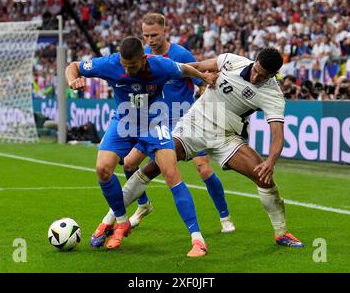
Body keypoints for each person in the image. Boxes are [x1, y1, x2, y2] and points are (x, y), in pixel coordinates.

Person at [110, 47, 304, 248]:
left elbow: (277, 134)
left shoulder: (273, 95)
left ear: (273, 75)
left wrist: (270, 162)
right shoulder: (231, 61)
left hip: (225, 136)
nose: (255, 77)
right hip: (194, 126)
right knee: (152, 167)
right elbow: (194, 67)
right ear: (254, 61)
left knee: (264, 177)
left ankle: (281, 233)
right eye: (256, 70)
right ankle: (109, 220)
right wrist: (200, 76)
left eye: (262, 76)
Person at [65, 36, 217, 257]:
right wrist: (72, 80)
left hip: (155, 123)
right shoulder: (110, 63)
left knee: (171, 173)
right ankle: (122, 220)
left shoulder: (160, 64)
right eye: (125, 66)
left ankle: (197, 239)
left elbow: (184, 69)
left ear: (143, 59)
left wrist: (203, 77)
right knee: (103, 169)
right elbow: (74, 67)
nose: (129, 70)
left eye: (133, 66)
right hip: (123, 122)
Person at [97, 13, 235, 234]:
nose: (150, 40)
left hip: (184, 122)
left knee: (204, 169)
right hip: (154, 123)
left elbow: (201, 81)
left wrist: (202, 100)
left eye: (154, 35)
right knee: (129, 163)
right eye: (146, 36)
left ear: (164, 31)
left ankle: (224, 216)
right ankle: (143, 205)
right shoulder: (143, 58)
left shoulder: (180, 54)